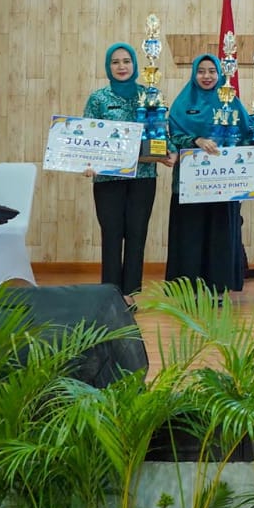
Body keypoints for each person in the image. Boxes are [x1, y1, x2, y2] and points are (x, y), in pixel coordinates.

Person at [84, 42, 171, 308]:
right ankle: (109, 293)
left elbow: (163, 131)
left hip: (143, 177)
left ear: (135, 65)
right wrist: (86, 162)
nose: (121, 66)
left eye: (126, 61)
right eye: (115, 62)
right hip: (107, 180)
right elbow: (86, 135)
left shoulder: (150, 96)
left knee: (136, 234)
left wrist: (169, 152)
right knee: (111, 234)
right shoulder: (98, 99)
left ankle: (130, 293)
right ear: (108, 67)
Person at [164, 54, 252, 296]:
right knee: (190, 235)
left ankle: (218, 289)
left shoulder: (230, 101)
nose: (207, 76)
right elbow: (171, 136)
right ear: (194, 73)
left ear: (220, 74)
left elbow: (247, 133)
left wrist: (235, 149)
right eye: (201, 71)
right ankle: (189, 290)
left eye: (212, 71)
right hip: (190, 184)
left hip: (224, 183)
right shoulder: (182, 103)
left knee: (220, 236)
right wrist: (196, 141)